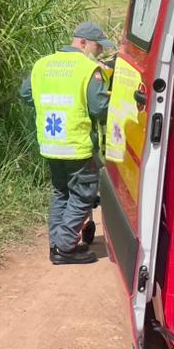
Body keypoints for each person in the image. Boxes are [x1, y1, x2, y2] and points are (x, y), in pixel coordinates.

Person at [19, 21, 113, 265]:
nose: (99, 52)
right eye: (97, 47)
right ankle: (65, 247)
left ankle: (56, 246)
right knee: (83, 196)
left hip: (50, 143)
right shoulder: (88, 68)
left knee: (61, 193)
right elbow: (99, 108)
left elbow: (26, 95)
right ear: (83, 42)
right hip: (76, 144)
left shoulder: (42, 64)